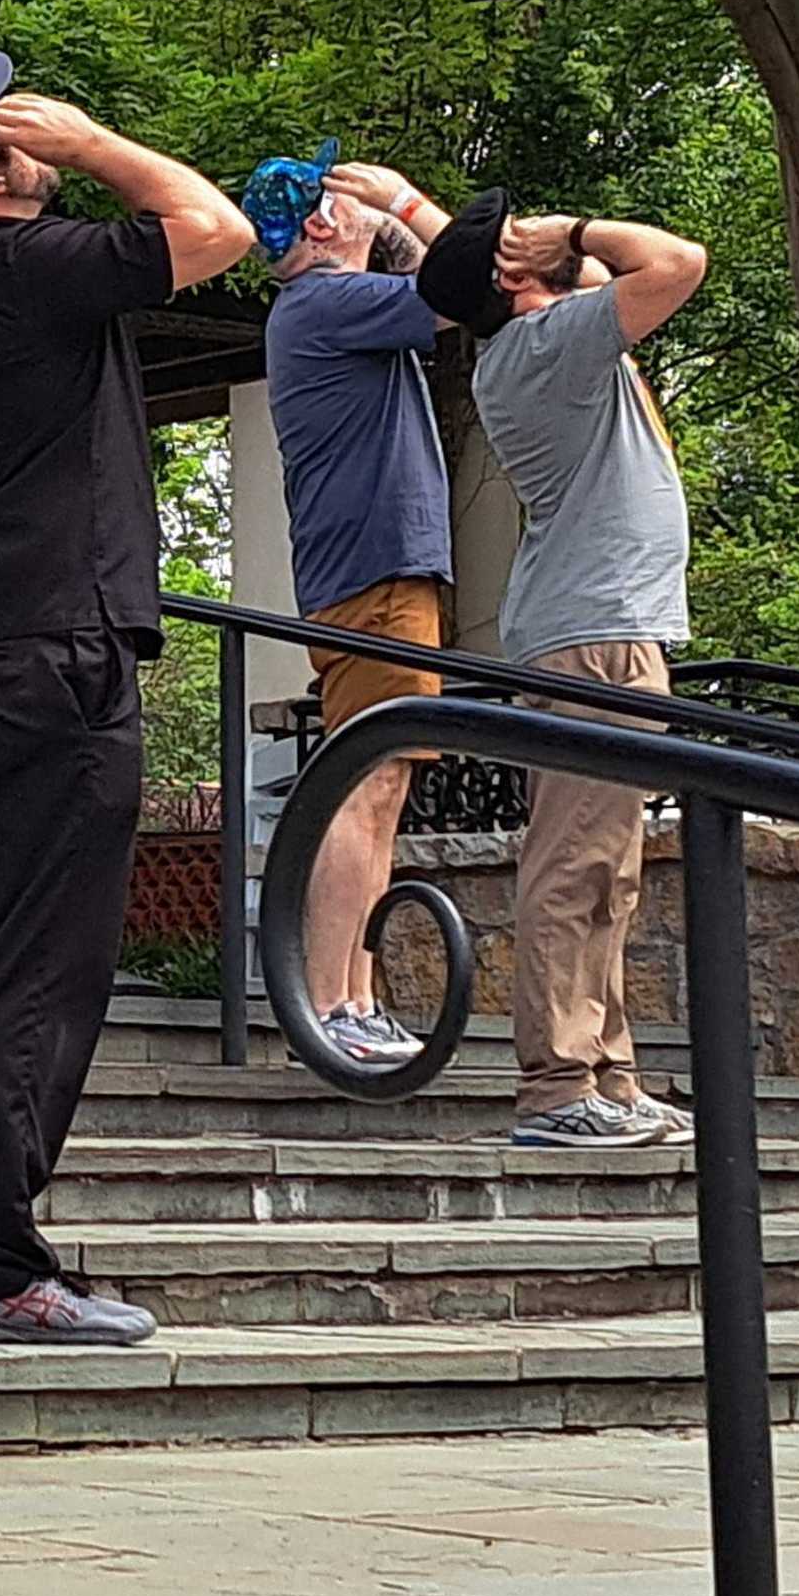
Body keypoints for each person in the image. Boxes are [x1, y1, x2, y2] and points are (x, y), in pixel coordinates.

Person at [0, 52, 251, 1345]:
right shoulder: (25, 270)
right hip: (53, 651)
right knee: (40, 964)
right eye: (2, 132)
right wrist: (91, 143)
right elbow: (217, 230)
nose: (25, 133)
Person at [426, 192, 708, 1148]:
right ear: (519, 278)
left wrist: (409, 207)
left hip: (603, 626)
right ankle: (556, 1087)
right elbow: (677, 261)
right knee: (575, 863)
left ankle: (609, 1075)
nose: (552, 228)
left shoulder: (544, 344)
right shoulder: (549, 346)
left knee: (610, 872)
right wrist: (581, 237)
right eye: (529, 234)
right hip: (596, 638)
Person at [246, 146, 460, 1067]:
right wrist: (409, 204)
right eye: (345, 193)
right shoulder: (329, 304)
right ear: (325, 226)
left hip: (369, 580)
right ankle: (330, 1003)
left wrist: (395, 229)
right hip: (376, 584)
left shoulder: (325, 310)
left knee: (382, 788)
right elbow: (459, 293)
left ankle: (353, 1000)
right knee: (365, 791)